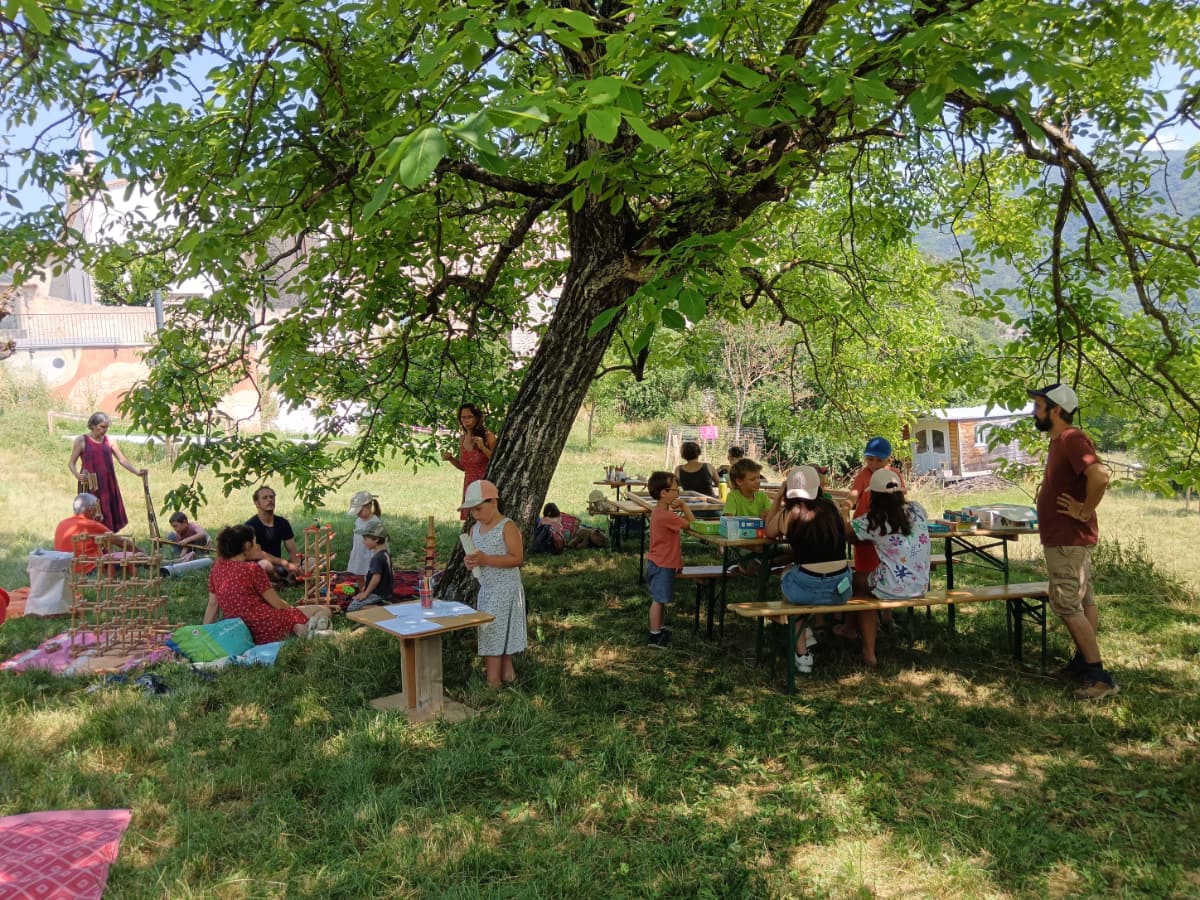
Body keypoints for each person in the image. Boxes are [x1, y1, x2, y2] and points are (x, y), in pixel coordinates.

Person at [1028, 382, 1116, 700]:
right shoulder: (1059, 441)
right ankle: (1083, 663)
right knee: (1083, 601)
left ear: (1056, 410)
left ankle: (1099, 676)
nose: (1033, 412)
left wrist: (1085, 509)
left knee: (1067, 604)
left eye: (1038, 406)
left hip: (1068, 539)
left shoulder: (1071, 438)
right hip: (1067, 539)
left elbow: (1100, 476)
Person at [765, 466, 850, 674]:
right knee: (798, 575)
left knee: (789, 577)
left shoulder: (791, 513)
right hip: (841, 589)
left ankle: (803, 653)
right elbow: (847, 532)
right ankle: (810, 633)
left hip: (805, 589)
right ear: (818, 487)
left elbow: (769, 530)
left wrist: (777, 499)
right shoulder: (833, 507)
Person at [847, 468, 931, 666]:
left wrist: (844, 512)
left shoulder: (873, 520)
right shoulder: (918, 509)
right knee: (867, 579)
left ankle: (867, 650)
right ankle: (857, 628)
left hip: (892, 586)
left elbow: (847, 534)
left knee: (854, 582)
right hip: (920, 585)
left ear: (873, 496)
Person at [203, 525, 332, 643]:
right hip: (268, 626)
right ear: (247, 546)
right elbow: (277, 603)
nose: (258, 546)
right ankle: (306, 630)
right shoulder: (252, 569)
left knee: (296, 614)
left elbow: (212, 604)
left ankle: (298, 628)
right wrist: (293, 612)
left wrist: (204, 636)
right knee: (324, 610)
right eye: (255, 543)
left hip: (241, 631)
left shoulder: (217, 567)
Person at [461, 479, 527, 688]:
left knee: (493, 632)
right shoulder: (474, 530)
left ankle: (493, 682)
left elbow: (517, 558)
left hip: (506, 588)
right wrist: (471, 562)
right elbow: (476, 557)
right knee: (496, 632)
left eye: (479, 509)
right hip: (487, 588)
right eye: (472, 511)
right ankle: (508, 676)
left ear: (493, 502)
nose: (475, 515)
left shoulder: (507, 527)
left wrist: (486, 559)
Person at [847, 437, 904, 631]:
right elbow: (854, 493)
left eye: (878, 460)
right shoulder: (864, 474)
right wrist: (847, 504)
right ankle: (873, 618)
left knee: (885, 569)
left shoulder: (893, 474)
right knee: (865, 572)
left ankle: (887, 615)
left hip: (886, 533)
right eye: (869, 459)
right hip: (864, 531)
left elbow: (901, 498)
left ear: (888, 459)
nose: (873, 464)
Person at [66, 411, 146, 534]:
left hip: (107, 483)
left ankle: (108, 543)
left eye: (107, 427)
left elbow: (122, 459)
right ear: (93, 425)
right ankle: (91, 543)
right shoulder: (82, 440)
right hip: (90, 484)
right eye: (102, 427)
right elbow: (71, 463)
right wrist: (77, 475)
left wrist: (136, 472)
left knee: (107, 512)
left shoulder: (110, 441)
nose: (105, 430)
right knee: (91, 512)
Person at [644, 470, 695, 647]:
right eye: (675, 490)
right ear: (663, 493)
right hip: (662, 564)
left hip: (659, 562)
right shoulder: (667, 516)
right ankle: (655, 635)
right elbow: (691, 523)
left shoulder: (659, 512)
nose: (678, 493)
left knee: (661, 598)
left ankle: (660, 628)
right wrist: (684, 507)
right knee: (658, 600)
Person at [54, 493, 139, 574]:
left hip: (66, 569)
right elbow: (121, 542)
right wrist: (141, 553)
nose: (98, 511)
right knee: (132, 557)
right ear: (91, 510)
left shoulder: (62, 523)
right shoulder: (90, 525)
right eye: (96, 508)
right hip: (88, 570)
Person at [442, 404, 498, 520]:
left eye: (470, 416)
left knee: (485, 520)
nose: (466, 420)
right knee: (471, 521)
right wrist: (451, 459)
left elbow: (497, 461)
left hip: (485, 485)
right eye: (463, 417)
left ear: (477, 418)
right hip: (469, 485)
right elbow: (465, 467)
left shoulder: (488, 436)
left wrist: (482, 447)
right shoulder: (462, 438)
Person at [244, 486, 302, 582]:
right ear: (257, 503)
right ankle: (277, 582)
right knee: (265, 564)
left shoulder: (283, 523)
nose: (270, 500)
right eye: (265, 498)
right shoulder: (250, 526)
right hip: (259, 567)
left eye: (272, 497)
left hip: (279, 566)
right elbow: (257, 554)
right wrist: (284, 563)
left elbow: (292, 550)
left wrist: (296, 566)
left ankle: (288, 578)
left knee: (312, 561)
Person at [346, 523, 394, 612]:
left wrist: (365, 593)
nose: (363, 542)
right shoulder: (385, 553)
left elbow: (376, 578)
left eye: (365, 539)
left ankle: (384, 610)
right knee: (356, 600)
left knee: (352, 608)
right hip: (386, 592)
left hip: (378, 594)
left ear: (376, 539)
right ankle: (380, 604)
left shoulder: (377, 558)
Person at [538, 503, 607, 551]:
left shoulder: (547, 521)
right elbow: (577, 521)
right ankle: (598, 536)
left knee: (588, 530)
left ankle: (599, 536)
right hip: (578, 530)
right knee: (588, 531)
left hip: (578, 529)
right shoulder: (553, 519)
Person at [346, 490, 382, 576]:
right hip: (359, 552)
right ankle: (362, 589)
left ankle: (369, 588)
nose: (358, 514)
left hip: (370, 554)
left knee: (369, 574)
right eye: (356, 512)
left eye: (360, 511)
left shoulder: (375, 522)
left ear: (369, 506)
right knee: (358, 573)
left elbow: (379, 542)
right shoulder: (358, 520)